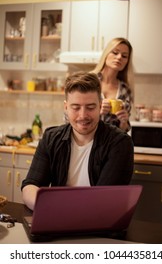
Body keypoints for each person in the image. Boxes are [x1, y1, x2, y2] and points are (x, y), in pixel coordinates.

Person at [21, 71, 134, 210]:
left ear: (100, 106)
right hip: (56, 217)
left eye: (90, 107)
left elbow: (103, 199)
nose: (83, 115)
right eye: (76, 107)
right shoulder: (51, 138)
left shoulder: (120, 144)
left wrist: (60, 208)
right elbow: (30, 186)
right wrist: (47, 207)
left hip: (98, 225)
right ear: (66, 107)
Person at [92, 37, 133, 132]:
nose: (119, 57)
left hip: (112, 144)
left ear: (127, 62)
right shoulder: (89, 82)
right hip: (87, 142)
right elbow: (72, 117)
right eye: (115, 52)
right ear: (106, 54)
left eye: (124, 56)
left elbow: (123, 131)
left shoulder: (125, 90)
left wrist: (124, 122)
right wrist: (98, 112)